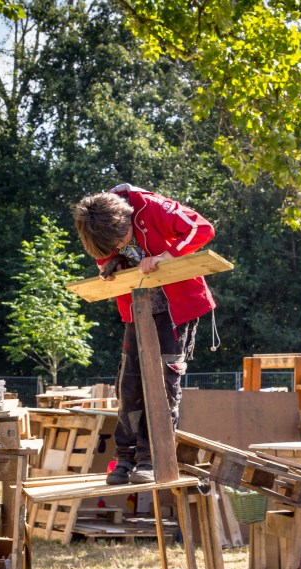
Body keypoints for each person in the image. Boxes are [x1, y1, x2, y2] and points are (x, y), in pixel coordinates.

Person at [73, 183, 216, 485]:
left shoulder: (151, 206)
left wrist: (167, 255)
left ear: (126, 219)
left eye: (120, 242)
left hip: (176, 306)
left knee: (163, 382)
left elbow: (202, 229)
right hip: (137, 307)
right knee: (129, 384)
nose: (118, 246)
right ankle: (124, 459)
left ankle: (152, 458)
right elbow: (107, 254)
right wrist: (108, 264)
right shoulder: (100, 225)